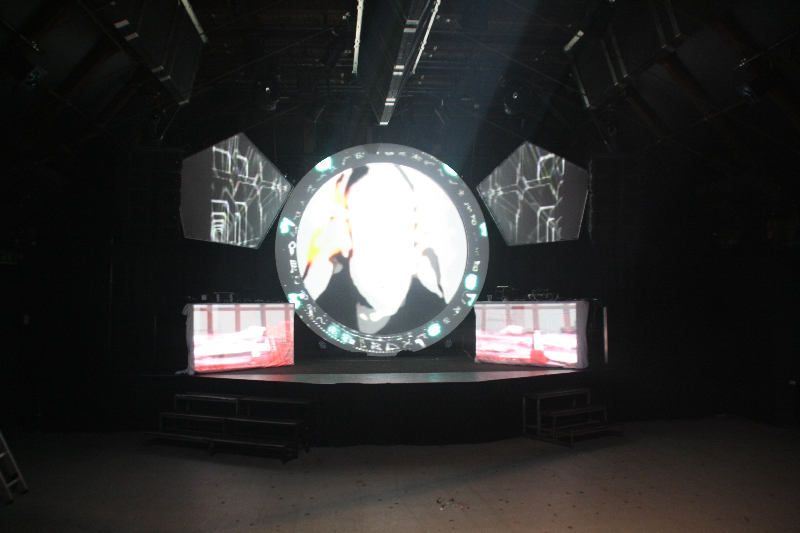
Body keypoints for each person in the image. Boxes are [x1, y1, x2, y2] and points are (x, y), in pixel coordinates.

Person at [301, 164, 447, 334]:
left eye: (398, 243)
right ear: (345, 240)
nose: (387, 267)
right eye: (373, 247)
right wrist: (309, 291)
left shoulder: (433, 310)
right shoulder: (323, 301)